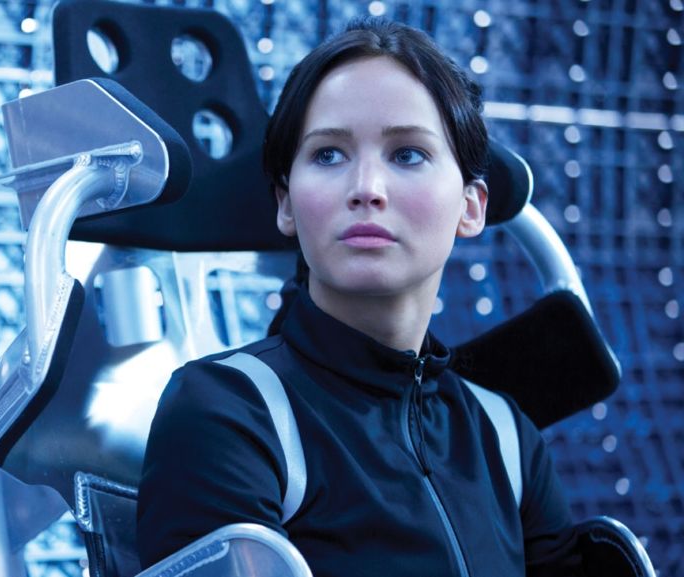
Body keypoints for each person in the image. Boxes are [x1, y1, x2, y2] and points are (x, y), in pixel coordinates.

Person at [136, 16, 581, 577]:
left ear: (471, 207)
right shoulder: (228, 413)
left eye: (408, 154)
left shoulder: (506, 437)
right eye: (328, 155)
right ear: (286, 205)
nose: (367, 188)